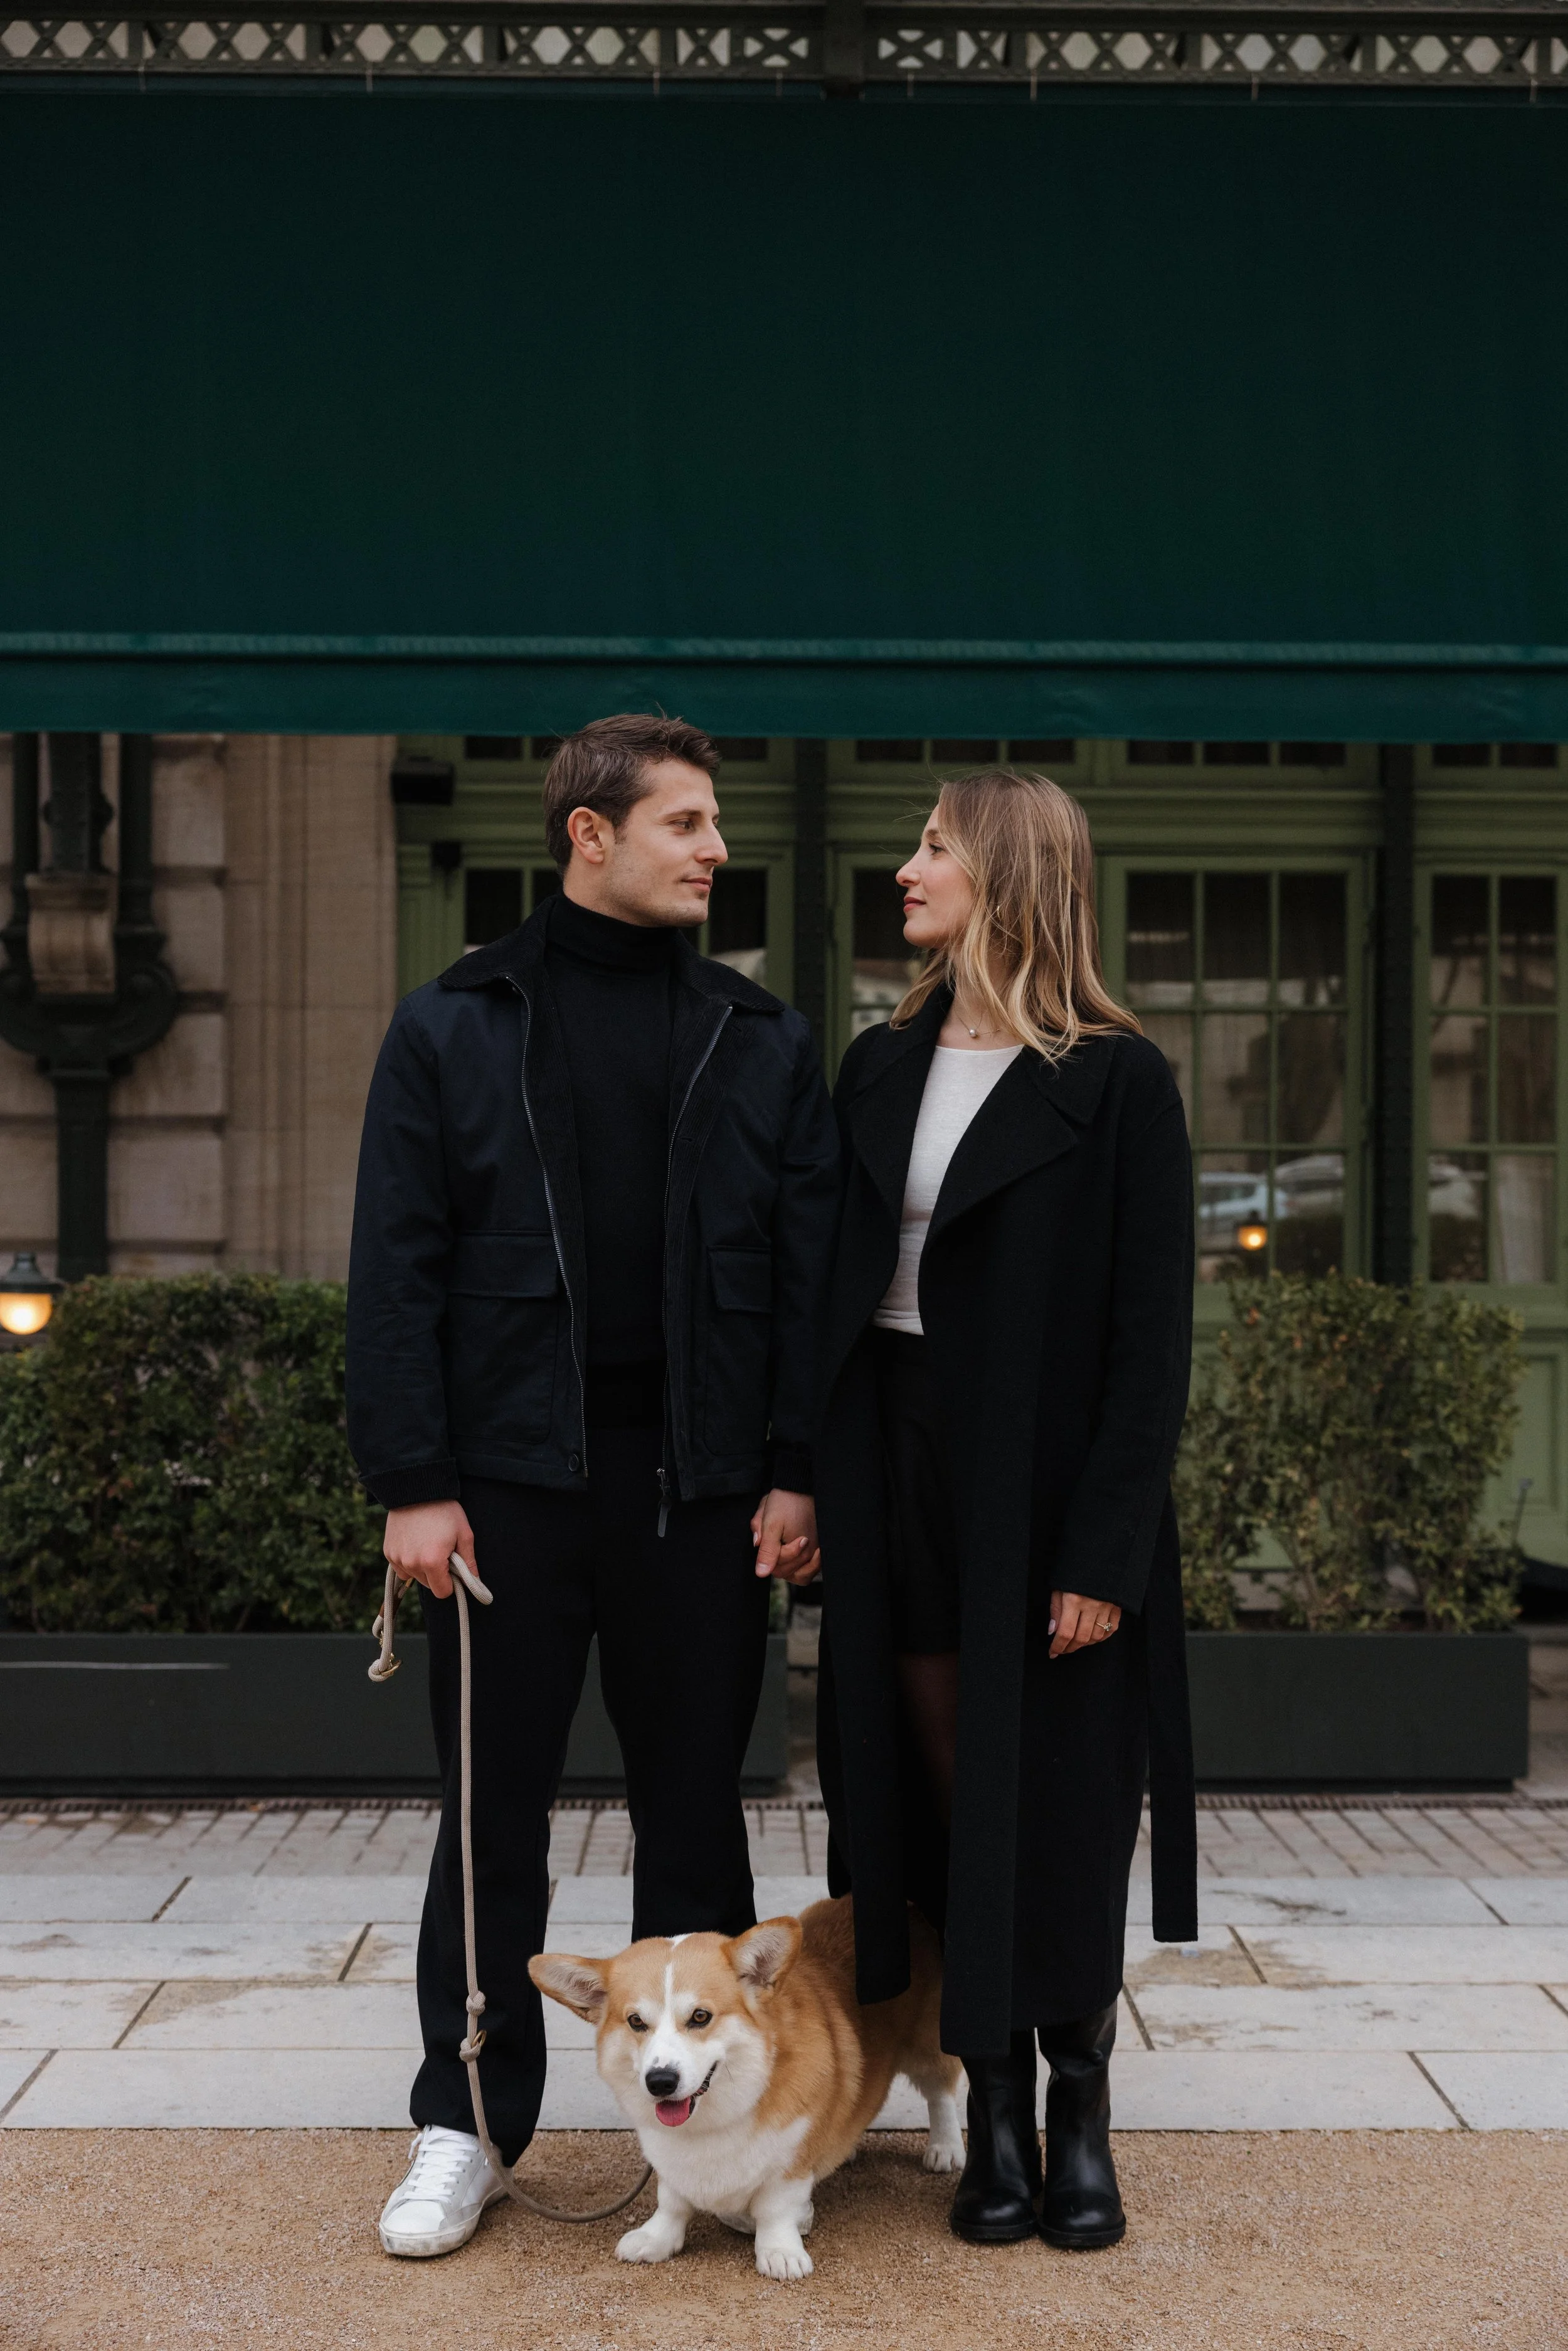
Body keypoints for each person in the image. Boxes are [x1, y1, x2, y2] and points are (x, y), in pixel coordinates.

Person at [346, 714, 839, 2259]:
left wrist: (791, 1468)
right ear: (590, 835)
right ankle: (467, 2123)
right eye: (685, 822)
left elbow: (803, 1273)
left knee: (694, 1818)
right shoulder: (451, 1025)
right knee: (488, 1826)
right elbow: (395, 1267)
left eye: (712, 823)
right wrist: (412, 1477)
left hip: (697, 1497)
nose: (713, 848)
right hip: (503, 1499)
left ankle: (725, 2140)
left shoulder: (755, 1035)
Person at [815, 767, 1198, 2252]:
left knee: (1058, 1797)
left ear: (1003, 869)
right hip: (895, 1464)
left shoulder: (1115, 1081)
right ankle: (986, 2100)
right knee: (933, 1792)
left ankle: (1079, 2102)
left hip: (1042, 1487)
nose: (904, 866)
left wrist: (1104, 1549)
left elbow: (1147, 1343)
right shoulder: (877, 1061)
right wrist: (803, 1474)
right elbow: (831, 1295)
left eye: (930, 844)